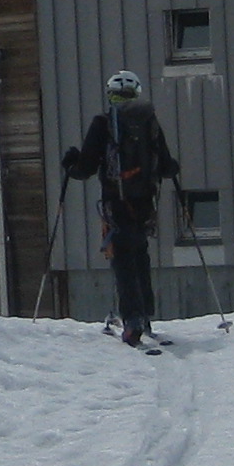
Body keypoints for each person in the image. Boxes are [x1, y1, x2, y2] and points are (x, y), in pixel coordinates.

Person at [62, 69, 181, 349]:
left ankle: (132, 319)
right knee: (140, 255)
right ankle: (145, 314)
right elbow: (165, 165)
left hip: (116, 202)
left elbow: (86, 168)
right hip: (144, 202)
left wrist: (70, 163)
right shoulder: (150, 122)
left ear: (110, 94)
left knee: (123, 259)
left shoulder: (103, 123)